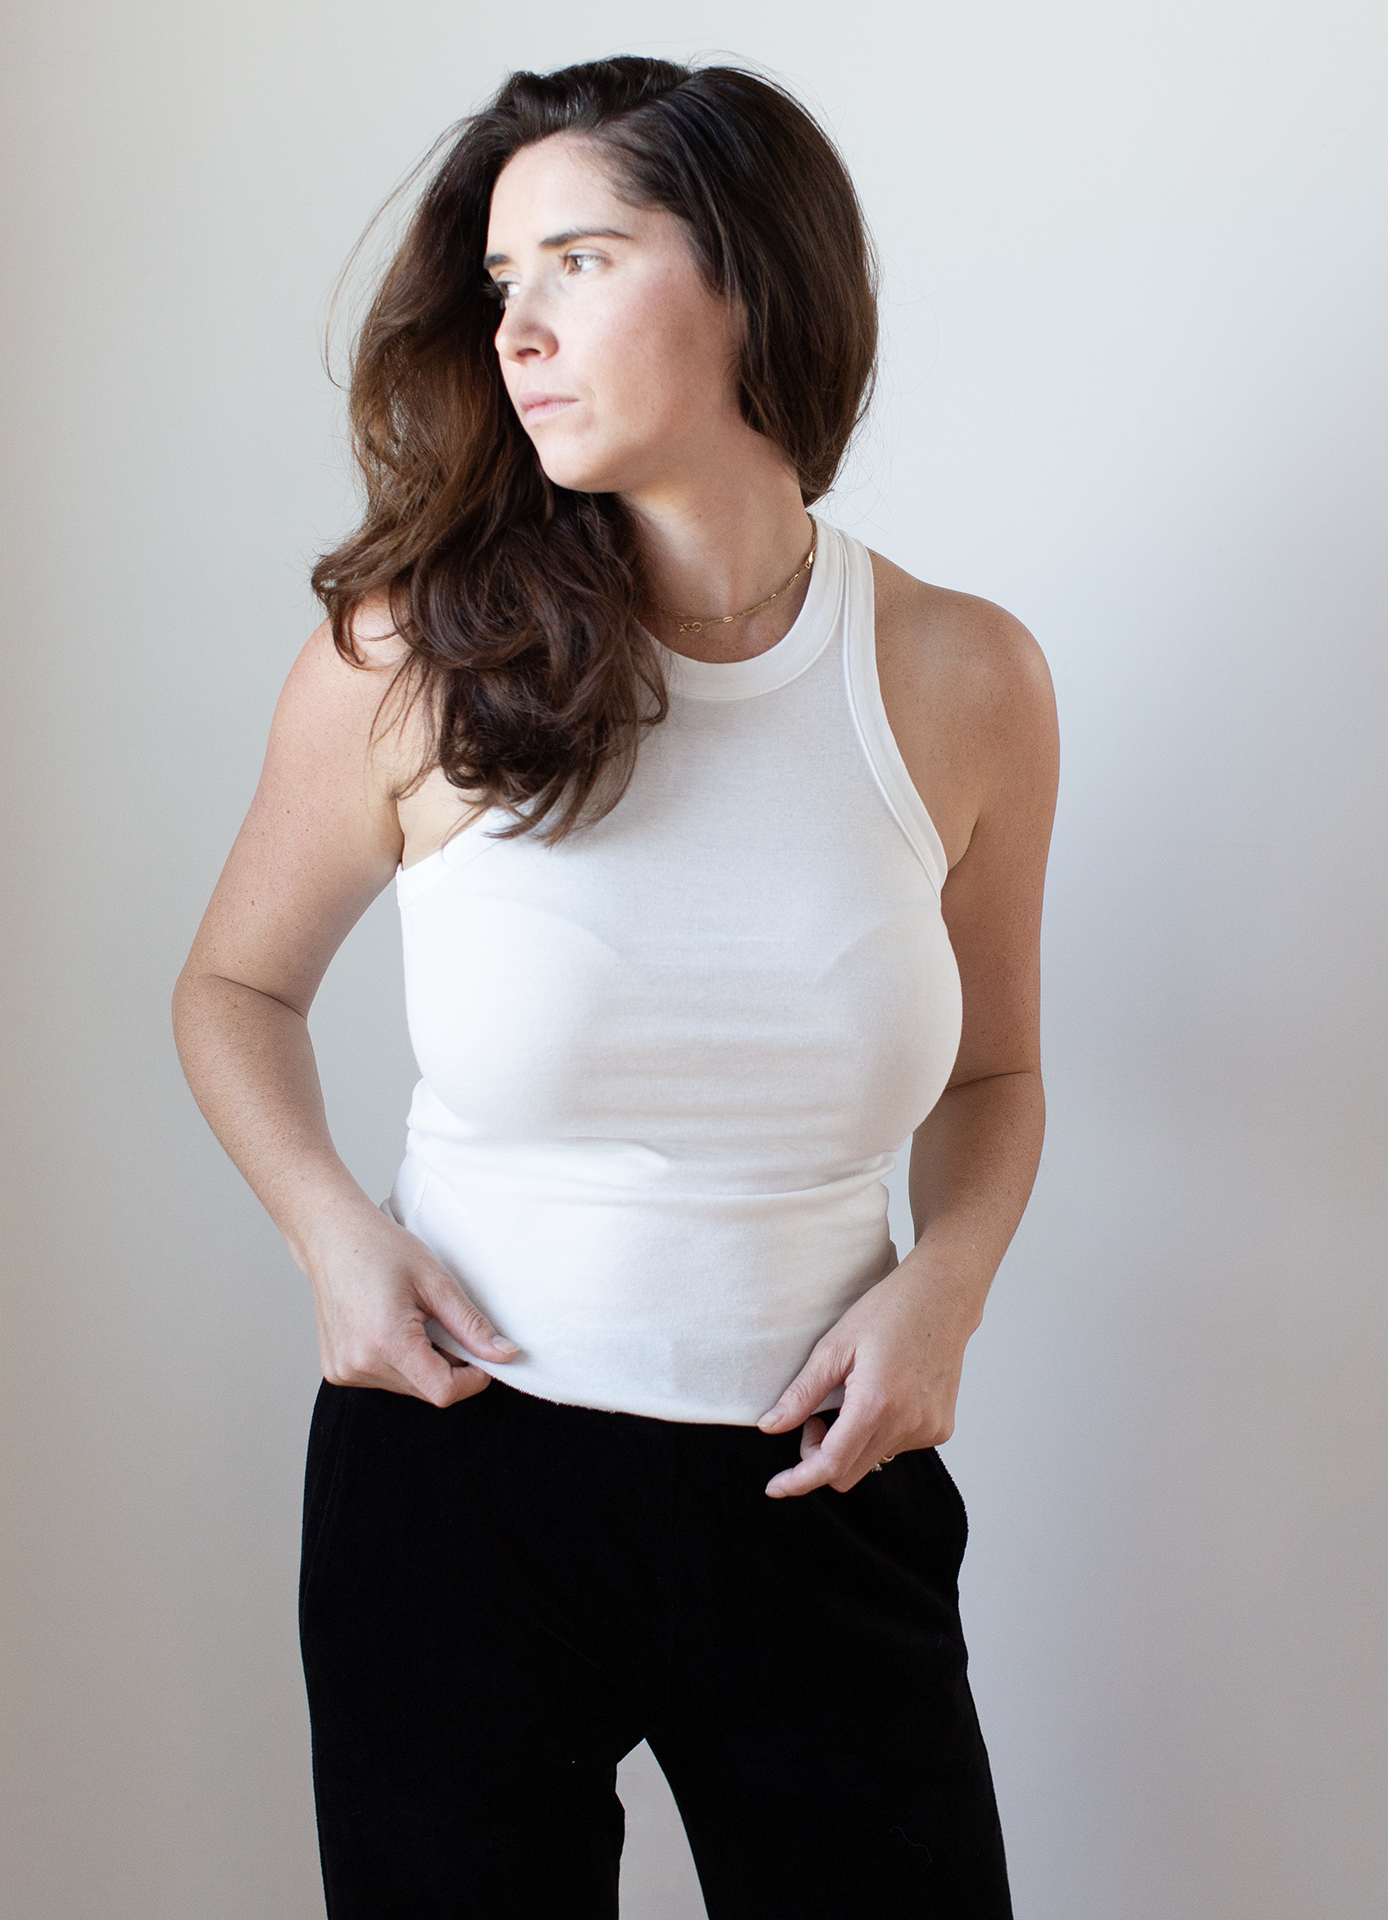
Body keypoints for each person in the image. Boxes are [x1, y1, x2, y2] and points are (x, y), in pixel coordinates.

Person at [172, 54, 1057, 1920]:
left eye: (577, 259)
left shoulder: (962, 676)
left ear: (753, 276)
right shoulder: (409, 655)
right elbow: (236, 989)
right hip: (458, 1479)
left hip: (817, 1477)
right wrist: (335, 1231)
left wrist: (945, 1295)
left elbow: (996, 1079)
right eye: (504, 283)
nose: (520, 328)